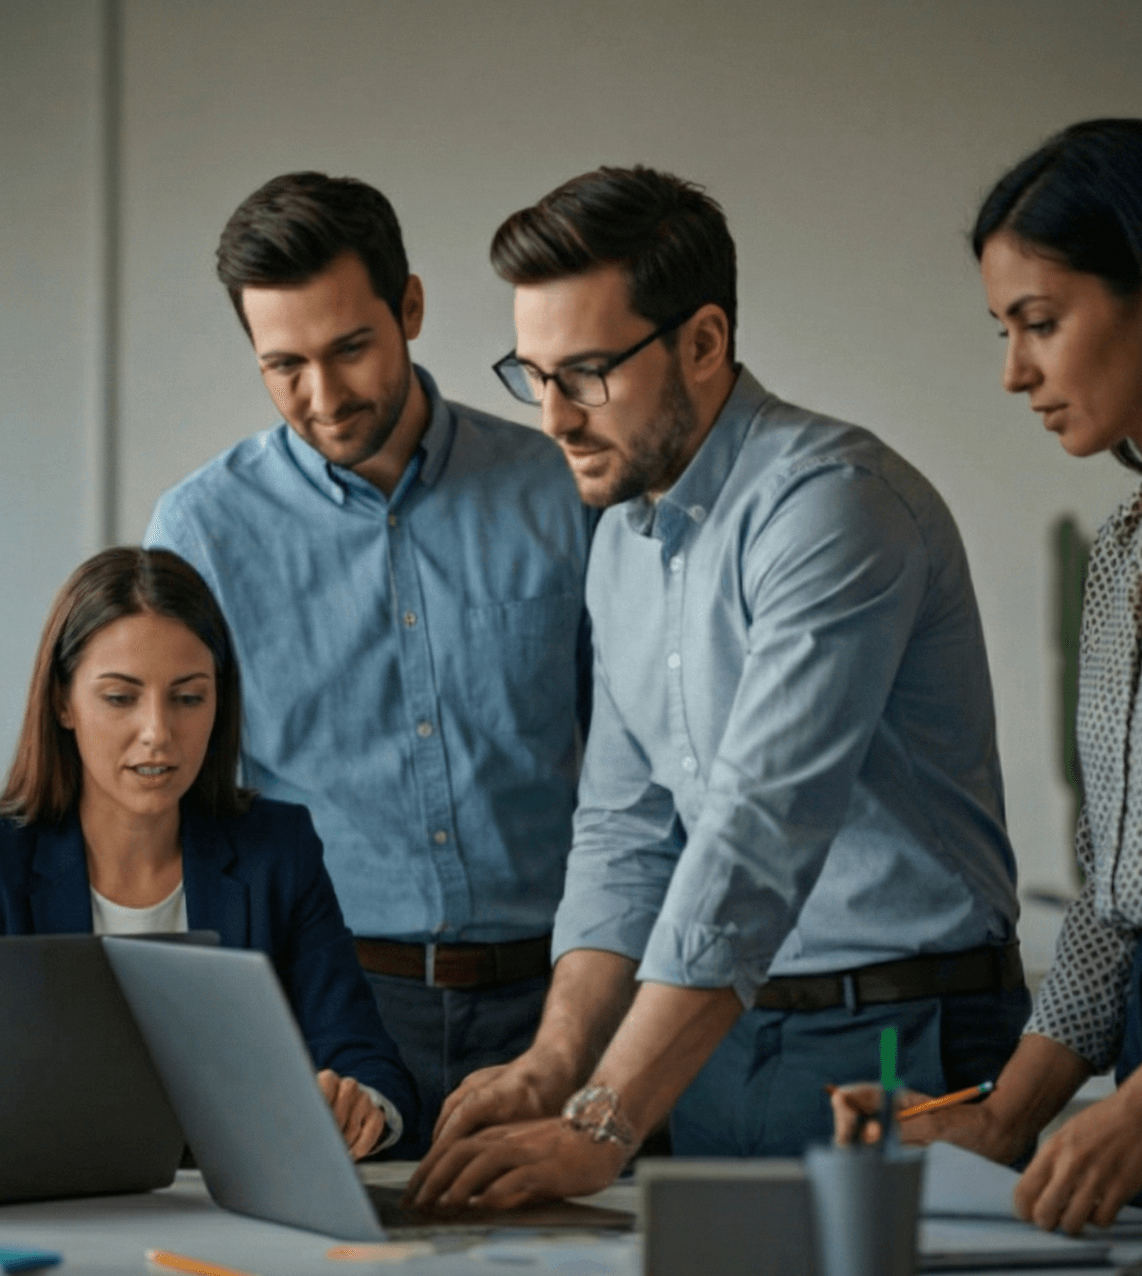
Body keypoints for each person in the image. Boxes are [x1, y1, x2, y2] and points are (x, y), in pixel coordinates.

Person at [409, 164, 1027, 1209]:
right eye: (533, 373)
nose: (553, 418)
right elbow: (624, 829)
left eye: (588, 373)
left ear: (702, 341)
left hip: (894, 1035)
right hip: (709, 1042)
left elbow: (757, 831)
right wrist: (555, 1061)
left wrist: (607, 1111)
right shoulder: (621, 541)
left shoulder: (832, 506)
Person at [143, 172, 595, 1151]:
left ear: (412, 308)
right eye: (283, 365)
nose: (324, 395)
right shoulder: (201, 531)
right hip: (327, 1012)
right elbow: (171, 805)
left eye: (350, 347)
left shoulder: (559, 491)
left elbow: (633, 764)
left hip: (556, 1012)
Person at [832, 120, 1142, 1237]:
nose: (1015, 372)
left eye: (1042, 324)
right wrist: (1008, 1117)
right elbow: (1116, 902)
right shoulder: (1120, 555)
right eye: (1005, 329)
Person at [0, 546, 415, 1157]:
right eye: (120, 698)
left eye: (188, 698)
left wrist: (360, 1105)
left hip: (235, 1216)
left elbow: (365, 1059)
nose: (158, 731)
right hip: (53, 1217)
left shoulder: (277, 850)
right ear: (62, 702)